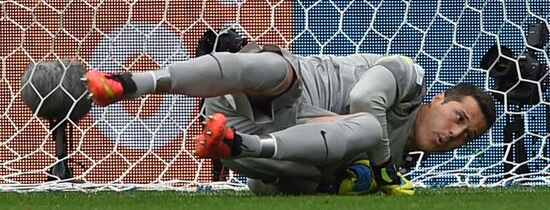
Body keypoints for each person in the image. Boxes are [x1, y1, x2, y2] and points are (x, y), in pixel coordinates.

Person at [82, 42, 495, 195]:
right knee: (275, 69)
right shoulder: (410, 80)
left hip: (244, 141)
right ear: (438, 99)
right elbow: (365, 96)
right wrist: (381, 165)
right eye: (457, 116)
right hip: (267, 90)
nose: (454, 133)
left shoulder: (392, 174)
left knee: (308, 174)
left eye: (466, 134)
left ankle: (232, 146)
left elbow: (270, 189)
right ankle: (132, 82)